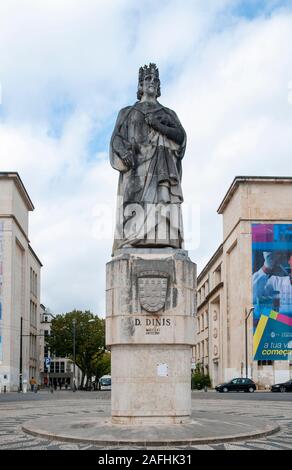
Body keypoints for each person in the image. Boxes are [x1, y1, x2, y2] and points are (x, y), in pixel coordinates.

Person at [110, 63, 186, 253]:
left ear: (158, 86)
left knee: (163, 202)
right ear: (141, 86)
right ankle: (133, 238)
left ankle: (164, 239)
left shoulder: (168, 114)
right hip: (136, 168)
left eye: (154, 80)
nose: (151, 82)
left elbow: (181, 138)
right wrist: (124, 151)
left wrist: (159, 126)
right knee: (133, 205)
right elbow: (115, 139)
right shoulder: (127, 112)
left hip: (162, 166)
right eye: (147, 79)